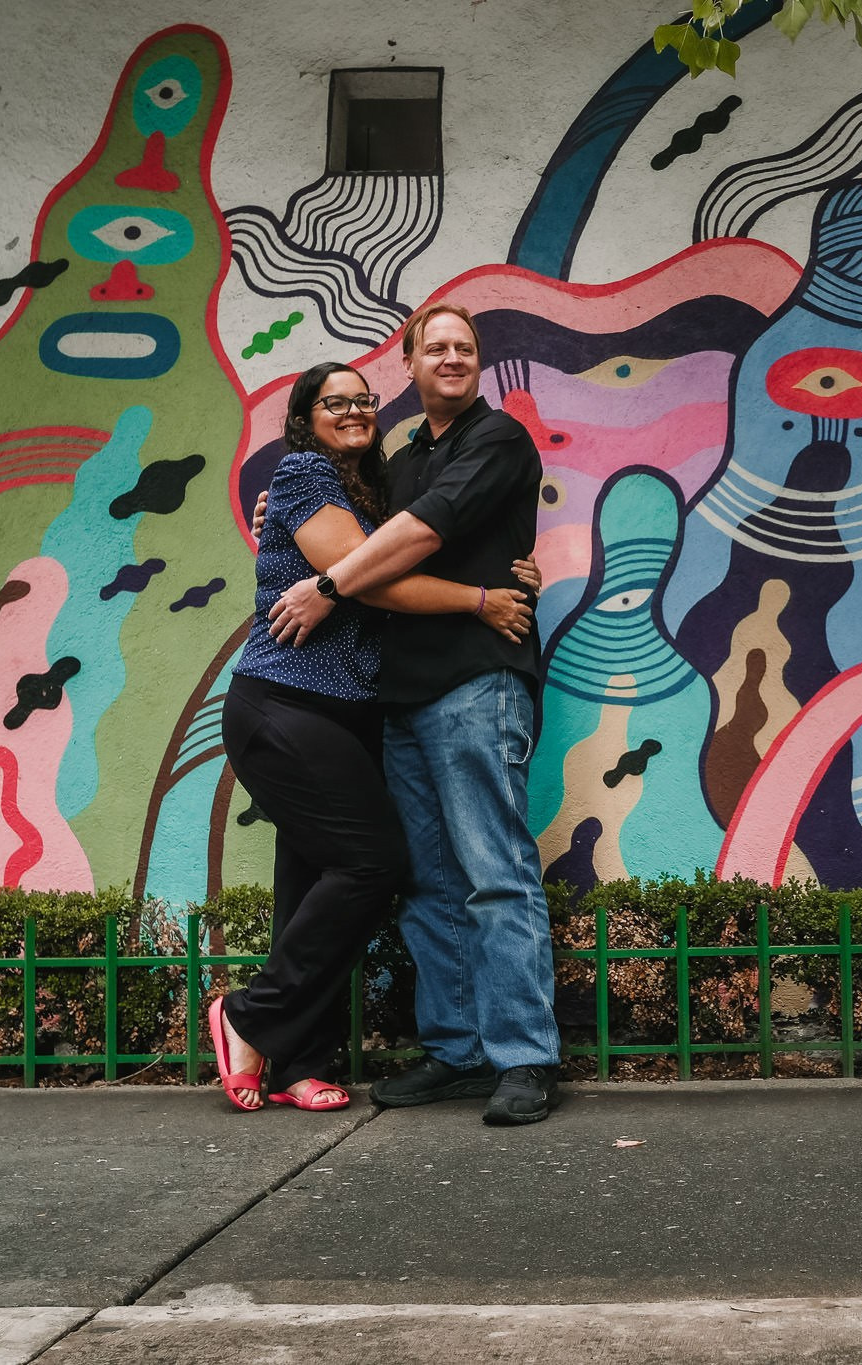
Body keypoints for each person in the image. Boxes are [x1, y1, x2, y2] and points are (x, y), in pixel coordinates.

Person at [266, 303, 563, 1126]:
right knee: (427, 883)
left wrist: (328, 587)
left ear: (478, 362)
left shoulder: (497, 439)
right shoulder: (402, 459)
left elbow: (421, 534)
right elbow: (353, 529)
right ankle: (458, 1049)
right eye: (437, 347)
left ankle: (525, 1056)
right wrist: (278, 516)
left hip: (478, 682)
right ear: (410, 363)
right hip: (402, 695)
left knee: (495, 871)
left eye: (465, 347)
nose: (453, 357)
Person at [209, 362, 531, 1113]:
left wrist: (514, 566)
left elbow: (418, 541)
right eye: (335, 402)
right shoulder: (304, 473)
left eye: (363, 400)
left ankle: (296, 1063)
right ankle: (249, 1015)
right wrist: (479, 599)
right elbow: (371, 576)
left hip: (349, 712)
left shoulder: (371, 490)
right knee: (373, 860)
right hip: (284, 702)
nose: (354, 410)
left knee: (308, 886)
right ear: (305, 417)